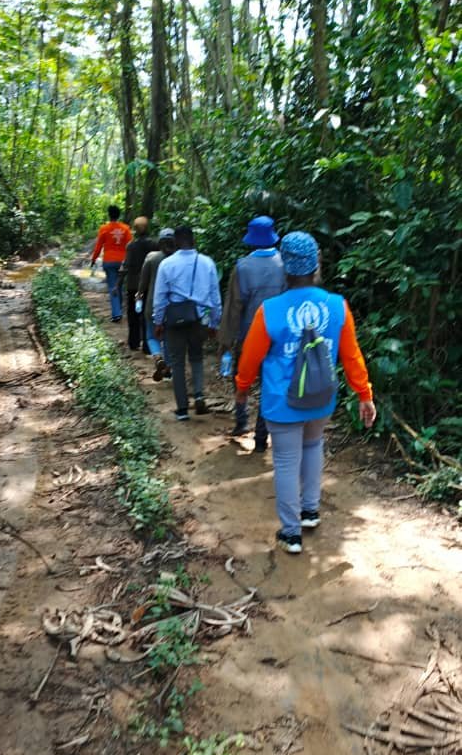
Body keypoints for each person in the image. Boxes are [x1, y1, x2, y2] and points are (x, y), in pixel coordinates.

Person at [235, 230, 376, 554]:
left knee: (286, 461)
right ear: (316, 265)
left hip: (282, 400)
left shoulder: (270, 310)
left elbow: (250, 358)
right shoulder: (336, 305)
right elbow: (352, 355)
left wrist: (242, 390)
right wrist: (364, 395)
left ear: (285, 266)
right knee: (313, 446)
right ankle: (310, 511)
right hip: (321, 397)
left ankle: (291, 532)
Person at [219, 215, 285, 451]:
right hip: (277, 337)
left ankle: (240, 421)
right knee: (270, 385)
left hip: (248, 335)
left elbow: (234, 306)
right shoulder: (284, 265)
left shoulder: (243, 267)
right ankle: (261, 435)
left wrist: (226, 342)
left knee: (242, 378)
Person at [153, 224, 222, 420]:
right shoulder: (207, 263)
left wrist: (158, 322)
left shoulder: (166, 265)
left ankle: (182, 409)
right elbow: (215, 298)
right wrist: (214, 323)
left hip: (174, 321)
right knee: (197, 356)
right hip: (200, 319)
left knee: (177, 363)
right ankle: (199, 394)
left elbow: (160, 298)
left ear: (175, 242)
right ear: (193, 241)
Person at [137, 228, 175, 381]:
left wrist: (139, 294)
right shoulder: (179, 260)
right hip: (173, 306)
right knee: (169, 338)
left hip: (153, 304)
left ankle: (158, 358)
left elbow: (143, 282)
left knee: (151, 337)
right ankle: (168, 370)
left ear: (159, 243)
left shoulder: (152, 258)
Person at [115, 217, 156, 350]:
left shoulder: (131, 246)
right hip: (149, 285)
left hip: (133, 285)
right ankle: (147, 345)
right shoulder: (154, 245)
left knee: (133, 315)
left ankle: (133, 342)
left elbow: (125, 266)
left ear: (135, 230)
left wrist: (117, 284)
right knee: (147, 315)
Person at [90, 204, 133, 322]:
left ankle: (116, 313)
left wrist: (94, 259)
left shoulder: (104, 228)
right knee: (118, 286)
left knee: (112, 286)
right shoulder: (125, 228)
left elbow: (98, 246)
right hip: (123, 262)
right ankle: (118, 310)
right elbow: (130, 246)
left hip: (109, 261)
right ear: (119, 215)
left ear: (109, 215)